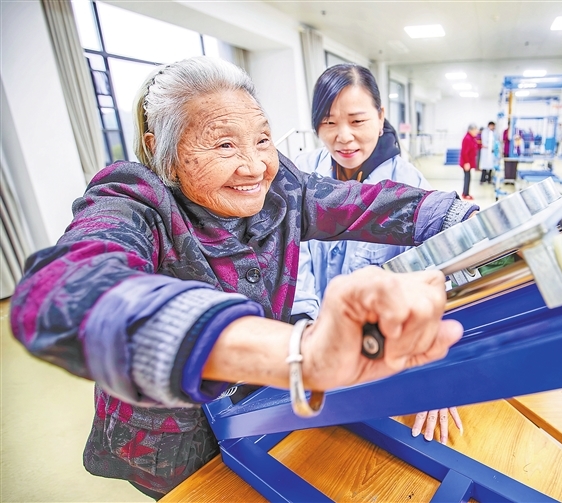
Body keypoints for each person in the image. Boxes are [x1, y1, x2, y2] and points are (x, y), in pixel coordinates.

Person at [9, 56, 466, 498]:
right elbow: (65, 292)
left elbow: (360, 202)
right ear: (159, 152)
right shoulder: (133, 198)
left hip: (263, 408)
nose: (254, 166)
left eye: (262, 139)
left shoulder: (280, 186)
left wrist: (459, 216)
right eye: (224, 144)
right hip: (172, 441)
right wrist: (295, 353)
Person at [291, 64, 474, 443]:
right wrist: (308, 339)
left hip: (383, 359)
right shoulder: (303, 174)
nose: (344, 137)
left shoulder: (410, 188)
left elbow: (439, 284)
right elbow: (294, 262)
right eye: (328, 122)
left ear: (380, 117)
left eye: (357, 120)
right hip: (315, 353)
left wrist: (436, 375)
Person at [459, 123, 480, 200]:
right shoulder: (467, 138)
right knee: (467, 177)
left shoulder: (471, 137)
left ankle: (465, 192)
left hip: (469, 162)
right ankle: (465, 194)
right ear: (471, 130)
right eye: (475, 130)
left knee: (468, 177)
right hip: (466, 162)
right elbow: (464, 152)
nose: (477, 131)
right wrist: (466, 163)